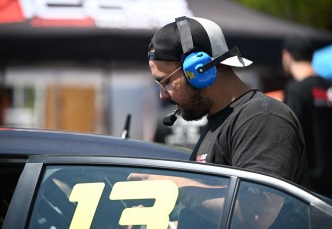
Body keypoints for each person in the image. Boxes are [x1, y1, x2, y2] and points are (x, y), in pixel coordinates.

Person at [128, 16, 310, 228]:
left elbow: (255, 214)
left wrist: (172, 187)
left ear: (199, 70)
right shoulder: (220, 120)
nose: (163, 96)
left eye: (166, 81)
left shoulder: (263, 117)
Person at [282, 36, 332, 198]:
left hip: (306, 186)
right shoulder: (326, 86)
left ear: (287, 56)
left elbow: (288, 134)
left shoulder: (296, 89)